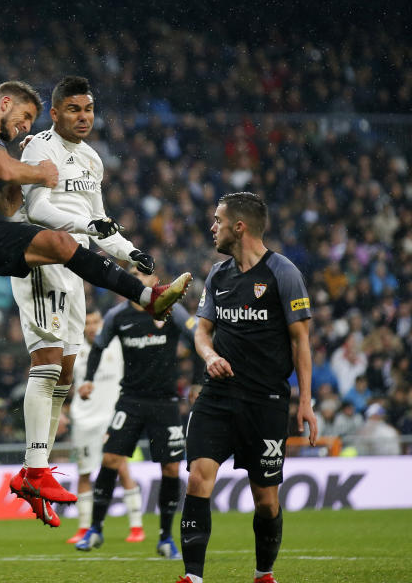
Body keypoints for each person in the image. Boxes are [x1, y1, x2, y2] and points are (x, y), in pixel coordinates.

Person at [0, 79, 192, 468]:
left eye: (31, 120)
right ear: (5, 103)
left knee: (62, 245)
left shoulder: (16, 151)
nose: (27, 125)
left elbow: (8, 205)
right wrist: (37, 172)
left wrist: (23, 168)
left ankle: (147, 296)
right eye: (25, 116)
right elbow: (3, 167)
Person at [6, 76, 158, 523]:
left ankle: (39, 473)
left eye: (88, 109)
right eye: (73, 109)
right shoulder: (40, 148)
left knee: (66, 373)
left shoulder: (92, 159)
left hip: (76, 266)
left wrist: (130, 253)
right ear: (55, 113)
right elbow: (36, 209)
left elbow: (100, 219)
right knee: (49, 362)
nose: (83, 117)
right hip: (41, 256)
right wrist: (91, 230)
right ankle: (33, 468)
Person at [176, 192, 317, 583]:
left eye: (218, 220)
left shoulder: (283, 272)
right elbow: (202, 333)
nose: (212, 227)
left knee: (266, 500)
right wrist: (208, 357)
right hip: (217, 396)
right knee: (198, 478)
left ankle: (263, 573)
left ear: (239, 227)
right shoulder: (218, 275)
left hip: (266, 402)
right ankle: (193, 577)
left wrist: (305, 403)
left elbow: (300, 342)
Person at [76, 266, 197, 559]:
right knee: (110, 459)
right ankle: (95, 529)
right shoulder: (117, 315)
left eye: (141, 273)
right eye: (131, 273)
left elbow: (197, 340)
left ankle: (166, 537)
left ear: (154, 282)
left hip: (166, 402)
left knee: (171, 468)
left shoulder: (171, 310)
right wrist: (89, 378)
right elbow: (99, 346)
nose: (135, 277)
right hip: (130, 399)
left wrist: (197, 382)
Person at [69, 310, 144, 544]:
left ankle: (136, 527)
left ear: (103, 324)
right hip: (83, 420)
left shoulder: (117, 346)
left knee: (121, 468)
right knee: (84, 472)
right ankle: (83, 528)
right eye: (87, 323)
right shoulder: (74, 351)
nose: (92, 327)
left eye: (95, 322)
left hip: (112, 418)